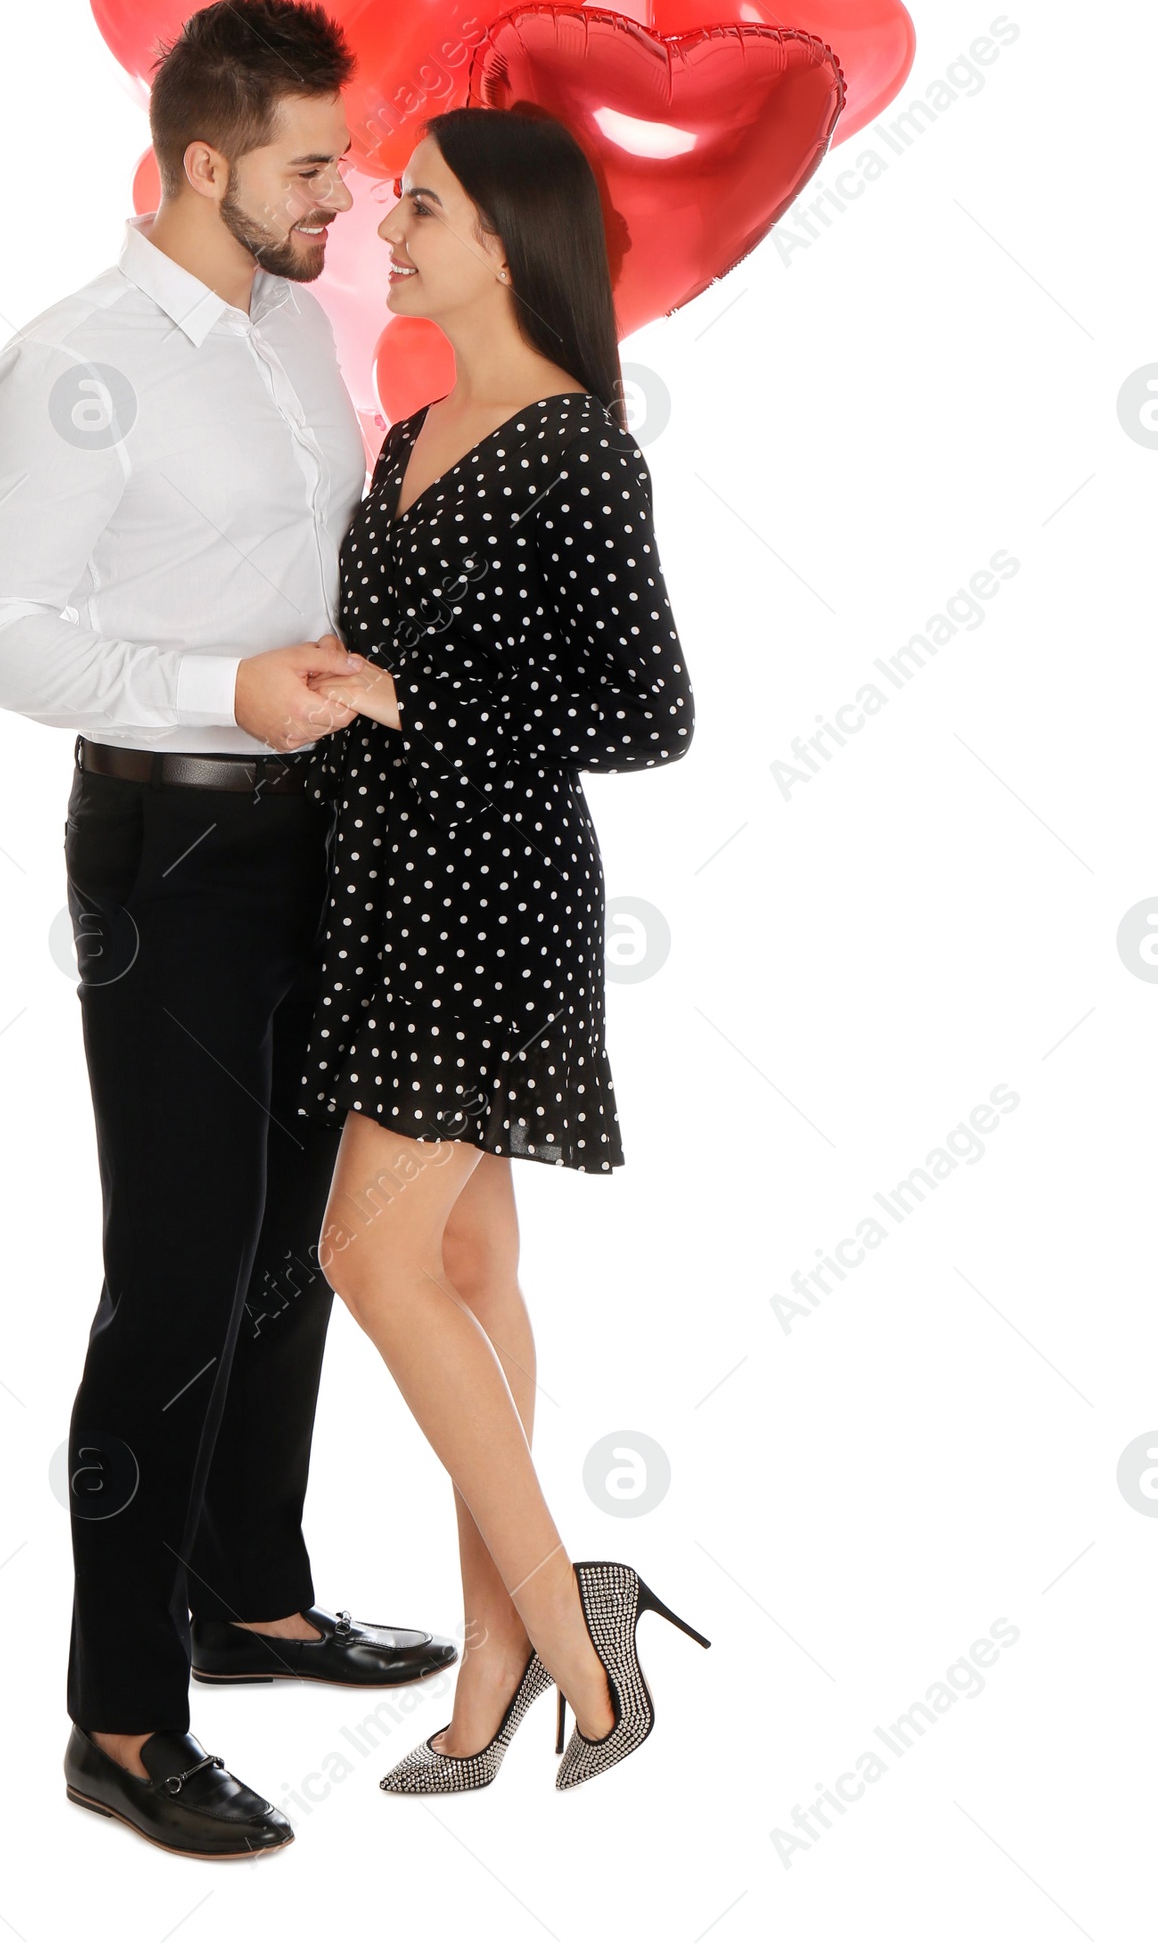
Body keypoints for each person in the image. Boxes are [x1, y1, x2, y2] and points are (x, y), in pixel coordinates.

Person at [0, 0, 454, 1862]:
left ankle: (251, 1601)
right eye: (316, 166)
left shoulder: (285, 333)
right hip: (168, 855)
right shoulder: (76, 362)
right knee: (173, 1272)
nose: (346, 195)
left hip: (326, 833)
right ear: (210, 162)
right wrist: (222, 686)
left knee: (288, 1247)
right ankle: (121, 1718)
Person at [297, 105, 711, 1796]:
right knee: (462, 1276)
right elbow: (379, 661)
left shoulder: (578, 448)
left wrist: (414, 698)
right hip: (387, 881)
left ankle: (571, 1634)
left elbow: (650, 713)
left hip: (496, 898)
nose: (390, 231)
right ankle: (491, 1667)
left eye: (428, 210)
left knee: (365, 1260)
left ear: (509, 242)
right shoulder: (406, 438)